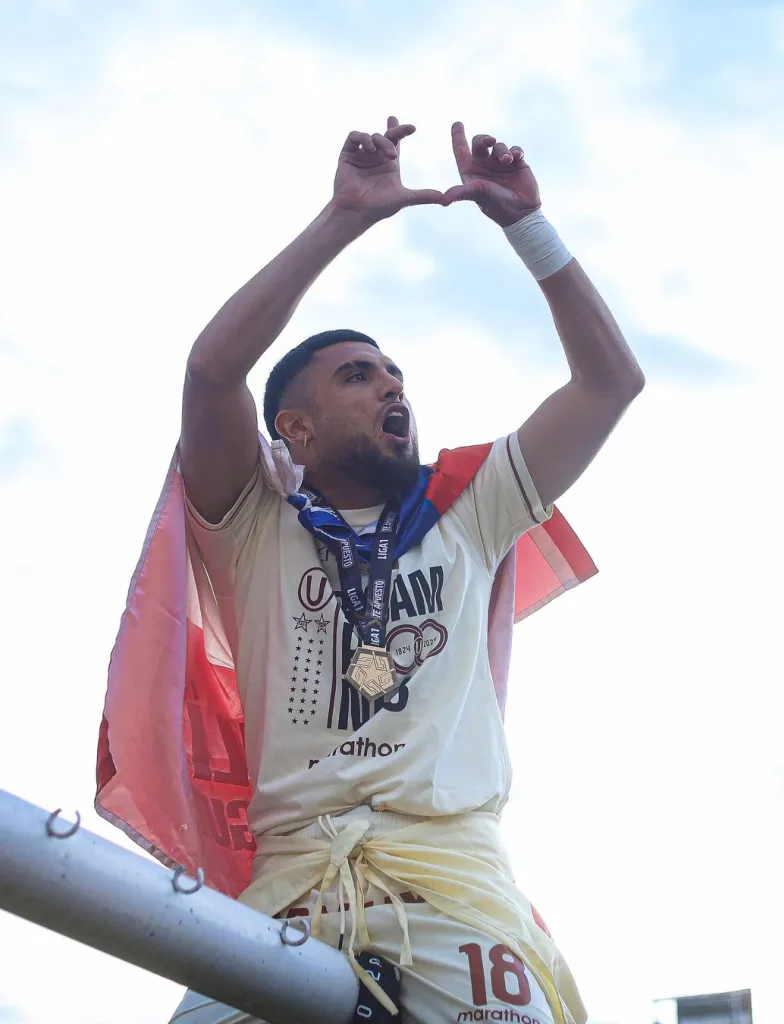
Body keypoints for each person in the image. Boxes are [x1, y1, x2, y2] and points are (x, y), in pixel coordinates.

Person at [166, 116, 645, 1024]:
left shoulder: (468, 505)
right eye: (357, 376)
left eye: (395, 374)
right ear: (293, 431)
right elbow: (210, 367)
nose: (393, 387)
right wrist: (344, 216)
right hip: (287, 900)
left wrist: (525, 228)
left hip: (451, 899)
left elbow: (608, 384)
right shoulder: (252, 517)